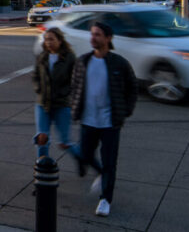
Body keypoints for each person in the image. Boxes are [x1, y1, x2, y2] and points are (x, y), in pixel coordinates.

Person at [69, 20, 137, 218]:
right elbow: (75, 87)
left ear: (108, 38)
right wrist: (75, 107)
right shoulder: (83, 61)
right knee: (85, 155)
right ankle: (100, 174)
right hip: (88, 121)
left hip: (110, 123)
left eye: (98, 34)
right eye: (92, 34)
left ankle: (105, 199)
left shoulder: (119, 63)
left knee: (109, 163)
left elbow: (132, 88)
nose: (93, 38)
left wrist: (125, 111)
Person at [32, 27, 75, 157]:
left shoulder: (69, 58)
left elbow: (76, 80)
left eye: (51, 39)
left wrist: (65, 93)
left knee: (64, 143)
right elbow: (35, 76)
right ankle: (41, 167)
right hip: (43, 103)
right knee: (42, 138)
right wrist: (39, 89)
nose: (48, 42)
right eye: (46, 40)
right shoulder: (42, 57)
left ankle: (82, 159)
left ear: (60, 40)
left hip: (61, 105)